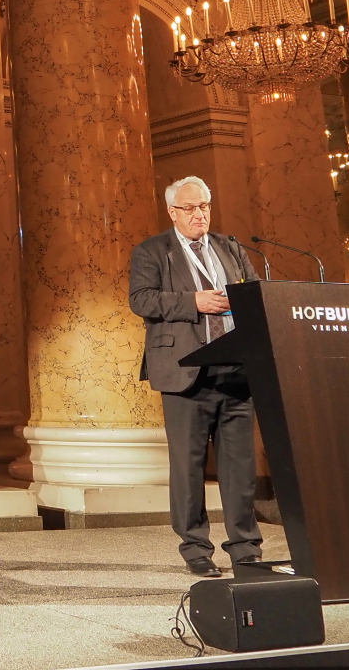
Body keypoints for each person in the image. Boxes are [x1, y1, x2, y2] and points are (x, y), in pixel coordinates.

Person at [129, 175, 262, 576]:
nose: (199, 214)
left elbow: (256, 292)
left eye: (204, 206)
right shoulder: (153, 250)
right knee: (188, 467)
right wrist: (194, 302)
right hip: (185, 370)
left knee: (240, 467)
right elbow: (141, 299)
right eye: (189, 208)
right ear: (173, 212)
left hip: (236, 369)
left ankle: (245, 549)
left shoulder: (230, 246)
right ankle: (196, 549)